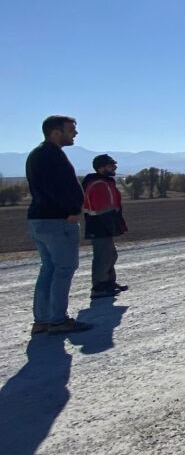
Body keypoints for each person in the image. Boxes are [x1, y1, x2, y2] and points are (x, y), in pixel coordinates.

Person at [26, 115, 92, 335]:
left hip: (40, 219)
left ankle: (42, 320)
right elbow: (58, 189)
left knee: (49, 268)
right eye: (71, 129)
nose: (75, 133)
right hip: (57, 221)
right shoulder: (51, 156)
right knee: (63, 269)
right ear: (56, 132)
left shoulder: (38, 154)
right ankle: (57, 320)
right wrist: (72, 210)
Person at [82, 154, 129, 298]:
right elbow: (102, 208)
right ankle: (99, 287)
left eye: (114, 164)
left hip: (104, 224)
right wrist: (111, 224)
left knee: (110, 255)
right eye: (110, 165)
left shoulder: (105, 181)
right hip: (99, 225)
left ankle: (108, 283)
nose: (114, 167)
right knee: (103, 256)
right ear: (101, 168)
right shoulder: (98, 184)